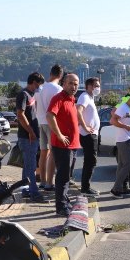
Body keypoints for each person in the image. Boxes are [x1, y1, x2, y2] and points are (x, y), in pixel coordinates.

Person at [47, 74, 81, 217]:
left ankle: (65, 202)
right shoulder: (58, 98)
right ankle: (61, 207)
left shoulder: (72, 99)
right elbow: (50, 115)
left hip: (72, 145)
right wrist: (59, 134)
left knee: (67, 176)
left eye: (76, 84)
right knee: (62, 177)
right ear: (64, 84)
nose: (74, 87)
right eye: (71, 84)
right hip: (62, 146)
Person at [16, 72, 46, 203]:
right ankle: (34, 193)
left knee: (28, 165)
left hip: (31, 136)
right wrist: (31, 131)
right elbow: (20, 115)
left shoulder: (32, 95)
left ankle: (26, 190)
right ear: (33, 82)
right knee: (31, 166)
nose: (39, 87)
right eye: (38, 84)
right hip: (27, 137)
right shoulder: (23, 95)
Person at [109, 91, 130, 198]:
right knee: (128, 165)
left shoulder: (128, 109)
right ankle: (116, 189)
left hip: (126, 139)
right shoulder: (123, 107)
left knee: (122, 165)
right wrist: (126, 127)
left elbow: (127, 125)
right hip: (123, 140)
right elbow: (113, 121)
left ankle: (120, 188)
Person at [35, 64, 64, 192]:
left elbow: (35, 105)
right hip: (51, 122)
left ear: (50, 73)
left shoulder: (40, 88)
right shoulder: (58, 89)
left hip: (40, 122)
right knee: (53, 153)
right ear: (60, 75)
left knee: (43, 152)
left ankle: (42, 181)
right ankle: (49, 183)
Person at [76, 77, 101, 196]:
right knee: (90, 161)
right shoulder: (85, 96)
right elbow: (78, 111)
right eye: (96, 85)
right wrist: (85, 127)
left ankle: (85, 186)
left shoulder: (91, 97)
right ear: (89, 86)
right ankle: (85, 188)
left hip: (92, 133)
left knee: (91, 161)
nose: (98, 88)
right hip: (87, 134)